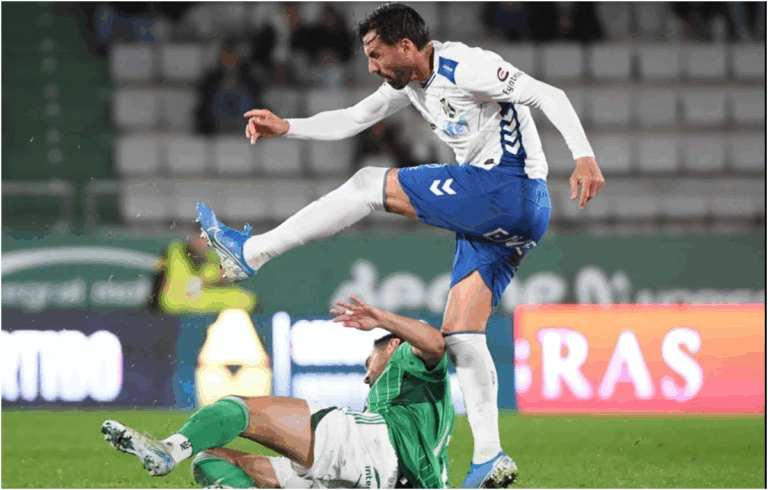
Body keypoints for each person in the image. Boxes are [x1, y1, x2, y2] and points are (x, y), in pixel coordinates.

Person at [196, 3, 605, 486]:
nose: (371, 66)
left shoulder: (466, 66)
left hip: (507, 188)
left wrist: (584, 157)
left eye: (375, 54)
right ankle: (489, 456)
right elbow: (353, 118)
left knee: (368, 183)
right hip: (508, 217)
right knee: (461, 334)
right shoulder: (408, 83)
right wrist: (289, 126)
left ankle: (252, 253)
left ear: (406, 46)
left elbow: (548, 94)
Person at [102, 295, 455, 489]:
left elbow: (436, 344)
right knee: (212, 460)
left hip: (375, 446)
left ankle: (169, 451)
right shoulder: (414, 405)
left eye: (368, 362)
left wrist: (383, 319)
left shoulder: (408, 359)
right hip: (376, 479)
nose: (366, 376)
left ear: (392, 345)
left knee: (237, 409)